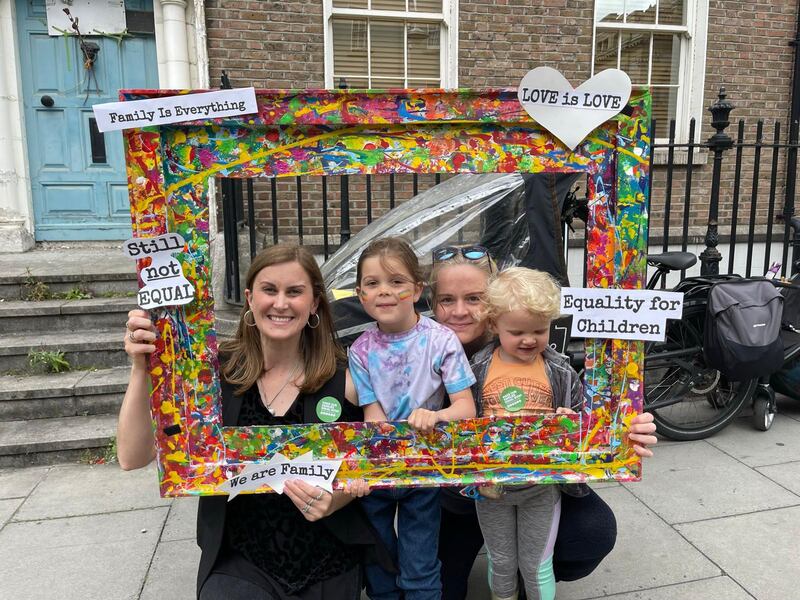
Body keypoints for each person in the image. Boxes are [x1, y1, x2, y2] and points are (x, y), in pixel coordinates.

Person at [117, 244, 389, 600]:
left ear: (315, 303)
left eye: (294, 292)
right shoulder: (212, 373)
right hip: (241, 561)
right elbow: (132, 456)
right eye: (269, 290)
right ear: (249, 298)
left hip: (329, 557)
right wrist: (142, 369)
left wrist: (339, 496)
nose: (280, 303)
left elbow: (381, 455)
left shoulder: (347, 374)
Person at [428, 244, 657, 600]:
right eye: (446, 299)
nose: (460, 311)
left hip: (538, 486)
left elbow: (592, 418)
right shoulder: (423, 354)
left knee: (577, 539)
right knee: (451, 583)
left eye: (473, 298)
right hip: (473, 491)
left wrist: (623, 430)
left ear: (490, 308)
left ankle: (527, 579)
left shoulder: (554, 367)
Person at [347, 237, 477, 600]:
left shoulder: (441, 340)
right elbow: (373, 414)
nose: (384, 292)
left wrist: (436, 415)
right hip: (380, 470)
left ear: (418, 290)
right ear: (360, 294)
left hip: (425, 468)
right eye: (372, 284)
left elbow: (466, 408)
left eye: (396, 282)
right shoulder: (360, 350)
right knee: (380, 563)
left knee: (420, 565)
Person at [471, 267, 580, 600]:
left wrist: (570, 419)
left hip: (542, 487)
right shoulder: (477, 367)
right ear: (494, 326)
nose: (529, 339)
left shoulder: (559, 368)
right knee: (502, 561)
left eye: (539, 330)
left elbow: (580, 416)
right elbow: (464, 420)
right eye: (517, 331)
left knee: (536, 565)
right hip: (492, 489)